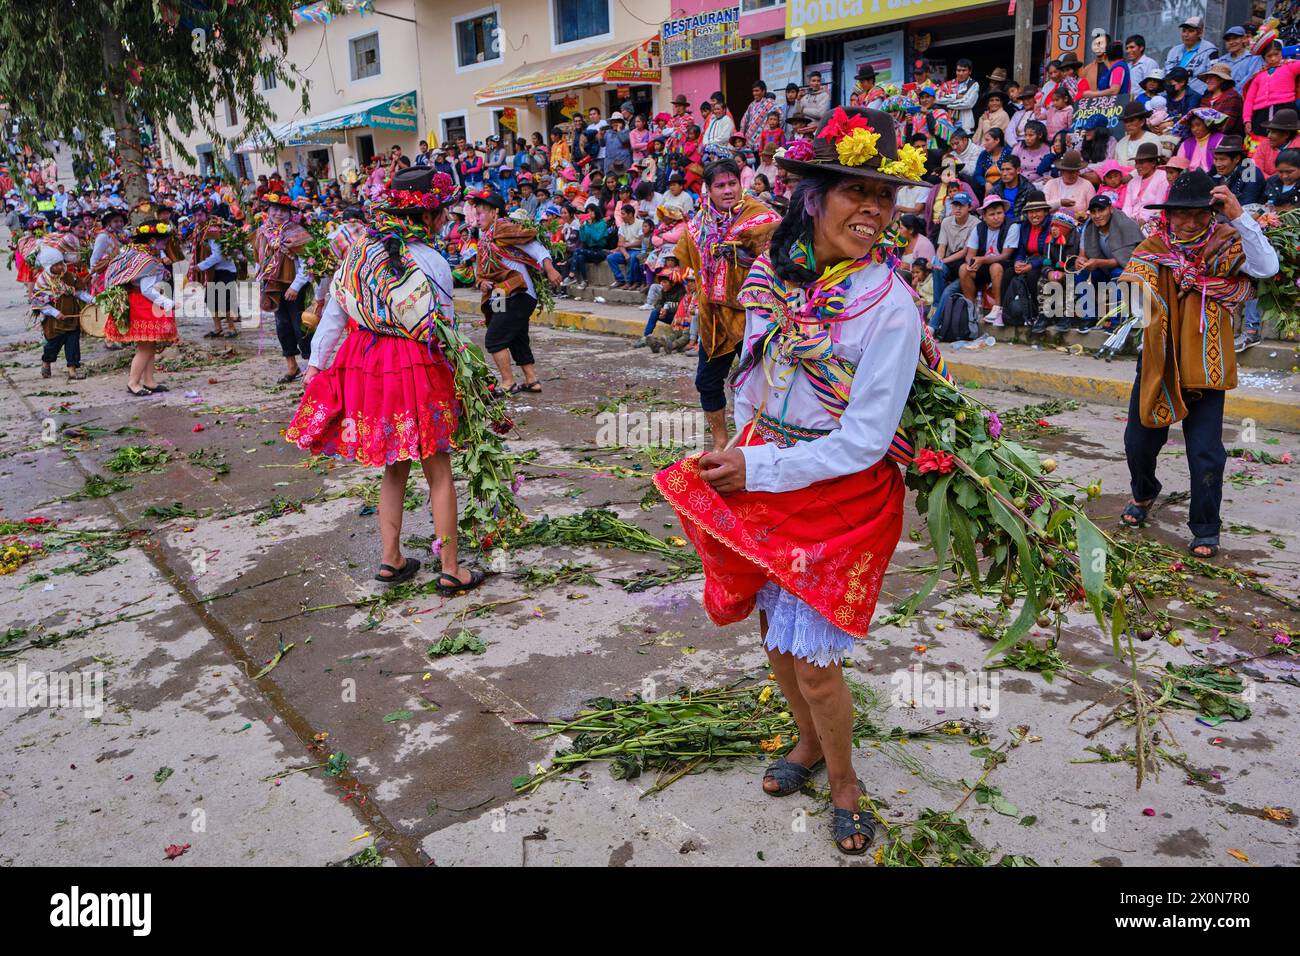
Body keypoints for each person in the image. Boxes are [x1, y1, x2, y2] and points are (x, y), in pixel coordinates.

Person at [654, 106, 930, 855]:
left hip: (839, 493)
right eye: (854, 193)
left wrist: (761, 463)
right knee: (775, 635)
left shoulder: (890, 307)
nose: (873, 212)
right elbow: (753, 368)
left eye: (885, 198)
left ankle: (845, 783)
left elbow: (867, 441)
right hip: (764, 474)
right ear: (814, 199)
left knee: (814, 666)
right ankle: (807, 748)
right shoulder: (775, 274)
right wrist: (743, 441)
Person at [286, 167, 485, 593]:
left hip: (367, 367)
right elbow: (443, 327)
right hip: (415, 366)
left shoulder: (357, 255)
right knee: (439, 470)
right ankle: (451, 567)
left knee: (394, 466)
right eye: (443, 213)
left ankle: (391, 558)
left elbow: (334, 318)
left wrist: (316, 368)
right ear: (429, 216)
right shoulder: (432, 262)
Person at [1119, 171, 1279, 558]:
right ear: (1168, 214)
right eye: (1181, 214)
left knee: (1206, 452)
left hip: (1207, 365)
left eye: (1199, 214)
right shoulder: (1153, 247)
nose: (1190, 222)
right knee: (1138, 442)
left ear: (1213, 212)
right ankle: (1144, 492)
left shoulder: (1227, 243)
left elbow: (1266, 269)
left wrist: (1239, 217)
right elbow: (1132, 293)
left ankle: (1206, 527)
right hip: (1159, 360)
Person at [673, 158, 780, 450]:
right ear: (709, 190)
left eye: (732, 183)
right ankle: (721, 443)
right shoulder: (698, 226)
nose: (728, 190)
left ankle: (761, 444)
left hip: (755, 316)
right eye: (720, 185)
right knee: (707, 381)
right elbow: (687, 260)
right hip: (714, 317)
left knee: (761, 384)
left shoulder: (759, 215)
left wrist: (741, 254)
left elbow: (778, 253)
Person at [472, 188, 563, 393]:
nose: (477, 218)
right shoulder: (484, 240)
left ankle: (507, 382)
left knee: (494, 338)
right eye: (476, 214)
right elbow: (480, 273)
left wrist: (550, 269)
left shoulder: (504, 229)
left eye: (481, 212)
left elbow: (535, 247)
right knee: (515, 336)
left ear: (495, 212)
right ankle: (532, 380)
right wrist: (481, 284)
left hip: (518, 293)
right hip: (499, 294)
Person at [101, 219, 180, 396]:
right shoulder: (148, 260)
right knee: (145, 347)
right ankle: (133, 382)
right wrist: (169, 304)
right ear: (152, 241)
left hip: (139, 301)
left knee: (150, 344)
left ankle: (149, 381)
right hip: (142, 304)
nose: (165, 245)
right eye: (163, 241)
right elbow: (147, 290)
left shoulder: (135, 253)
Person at [254, 191, 312, 383]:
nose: (278, 214)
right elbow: (259, 258)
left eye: (283, 211)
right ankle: (291, 366)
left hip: (295, 286)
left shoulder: (298, 232)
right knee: (282, 326)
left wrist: (296, 286)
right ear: (268, 210)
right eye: (275, 209)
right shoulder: (263, 232)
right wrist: (260, 278)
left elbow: (307, 263)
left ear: (289, 213)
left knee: (300, 326)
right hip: (273, 284)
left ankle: (311, 366)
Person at [1075, 195, 1142, 331]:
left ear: (1110, 209)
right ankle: (1088, 318)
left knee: (1117, 276)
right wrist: (1080, 260)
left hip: (1126, 269)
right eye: (1093, 212)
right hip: (1102, 267)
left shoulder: (1125, 224)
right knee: (1081, 273)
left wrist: (1099, 263)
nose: (1097, 215)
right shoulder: (1089, 227)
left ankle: (1117, 321)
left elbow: (1127, 259)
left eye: (1101, 210)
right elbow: (1082, 253)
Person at [32, 244, 93, 381]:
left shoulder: (68, 277)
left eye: (61, 263)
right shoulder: (42, 281)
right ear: (49, 267)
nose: (61, 267)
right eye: (57, 265)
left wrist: (91, 300)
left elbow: (77, 292)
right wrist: (54, 312)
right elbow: (39, 302)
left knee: (73, 343)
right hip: (55, 321)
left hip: (71, 315)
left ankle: (72, 370)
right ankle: (46, 361)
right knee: (54, 344)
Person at [961, 194, 1019, 325]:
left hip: (1005, 265)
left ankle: (998, 308)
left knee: (996, 267)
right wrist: (971, 263)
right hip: (984, 264)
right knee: (963, 269)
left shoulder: (1012, 226)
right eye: (992, 214)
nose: (997, 217)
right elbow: (970, 254)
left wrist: (982, 260)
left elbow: (1006, 255)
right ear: (985, 217)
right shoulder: (979, 228)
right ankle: (971, 309)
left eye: (999, 213)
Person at [1243, 37, 1300, 140]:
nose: (1273, 58)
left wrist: (1293, 59)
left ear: (1281, 53)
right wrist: (1247, 119)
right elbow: (1249, 100)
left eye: (1276, 54)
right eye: (1269, 56)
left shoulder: (1289, 67)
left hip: (1285, 110)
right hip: (1260, 114)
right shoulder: (1258, 76)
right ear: (1264, 58)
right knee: (1262, 143)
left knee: (1285, 140)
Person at [1163, 15, 1218, 96]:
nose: (1186, 34)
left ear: (1200, 33)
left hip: (1197, 96)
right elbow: (1166, 72)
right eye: (1184, 31)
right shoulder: (1173, 51)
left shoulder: (1210, 50)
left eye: (1190, 31)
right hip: (1173, 95)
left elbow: (1212, 76)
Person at [1121, 142, 1169, 228]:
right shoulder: (1133, 182)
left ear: (1153, 163)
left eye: (1141, 163)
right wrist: (1126, 222)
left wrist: (1145, 220)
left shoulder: (1163, 177)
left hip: (1152, 222)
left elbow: (1159, 206)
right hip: (1131, 222)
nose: (1137, 166)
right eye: (1136, 163)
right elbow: (1127, 206)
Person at [1210, 135, 1265, 206]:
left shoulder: (1251, 173)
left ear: (1237, 159)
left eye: (1222, 159)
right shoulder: (1214, 171)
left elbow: (1246, 206)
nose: (1217, 164)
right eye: (1216, 159)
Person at [1042, 149, 1096, 214]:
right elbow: (1042, 208)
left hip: (1078, 222)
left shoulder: (1087, 185)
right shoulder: (1051, 184)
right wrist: (1060, 203)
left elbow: (1093, 208)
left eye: (1076, 171)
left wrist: (1083, 215)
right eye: (1069, 172)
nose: (1073, 174)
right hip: (1051, 221)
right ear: (1062, 171)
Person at [1198, 63, 1244, 136]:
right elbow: (1199, 121)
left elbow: (1226, 126)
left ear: (1222, 79)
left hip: (1227, 140)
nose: (1207, 81)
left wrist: (1203, 128)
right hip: (1205, 137)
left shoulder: (1233, 97)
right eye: (1207, 78)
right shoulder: (1206, 98)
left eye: (1211, 78)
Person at [1252, 108, 1300, 177]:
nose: (1269, 136)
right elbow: (1256, 169)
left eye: (1273, 132)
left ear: (1286, 134)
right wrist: (1271, 183)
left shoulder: (1297, 147)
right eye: (1269, 131)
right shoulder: (1264, 145)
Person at [1113, 101, 1162, 165]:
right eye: (1126, 121)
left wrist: (1131, 175)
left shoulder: (1153, 139)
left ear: (1142, 122)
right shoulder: (1120, 143)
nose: (1128, 125)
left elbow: (1153, 164)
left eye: (1132, 121)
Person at [938, 58, 979, 132]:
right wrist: (955, 96)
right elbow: (938, 98)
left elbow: (968, 103)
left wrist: (947, 104)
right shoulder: (948, 84)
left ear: (970, 71)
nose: (961, 73)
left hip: (965, 126)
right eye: (958, 70)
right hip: (948, 125)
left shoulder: (973, 84)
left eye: (964, 70)